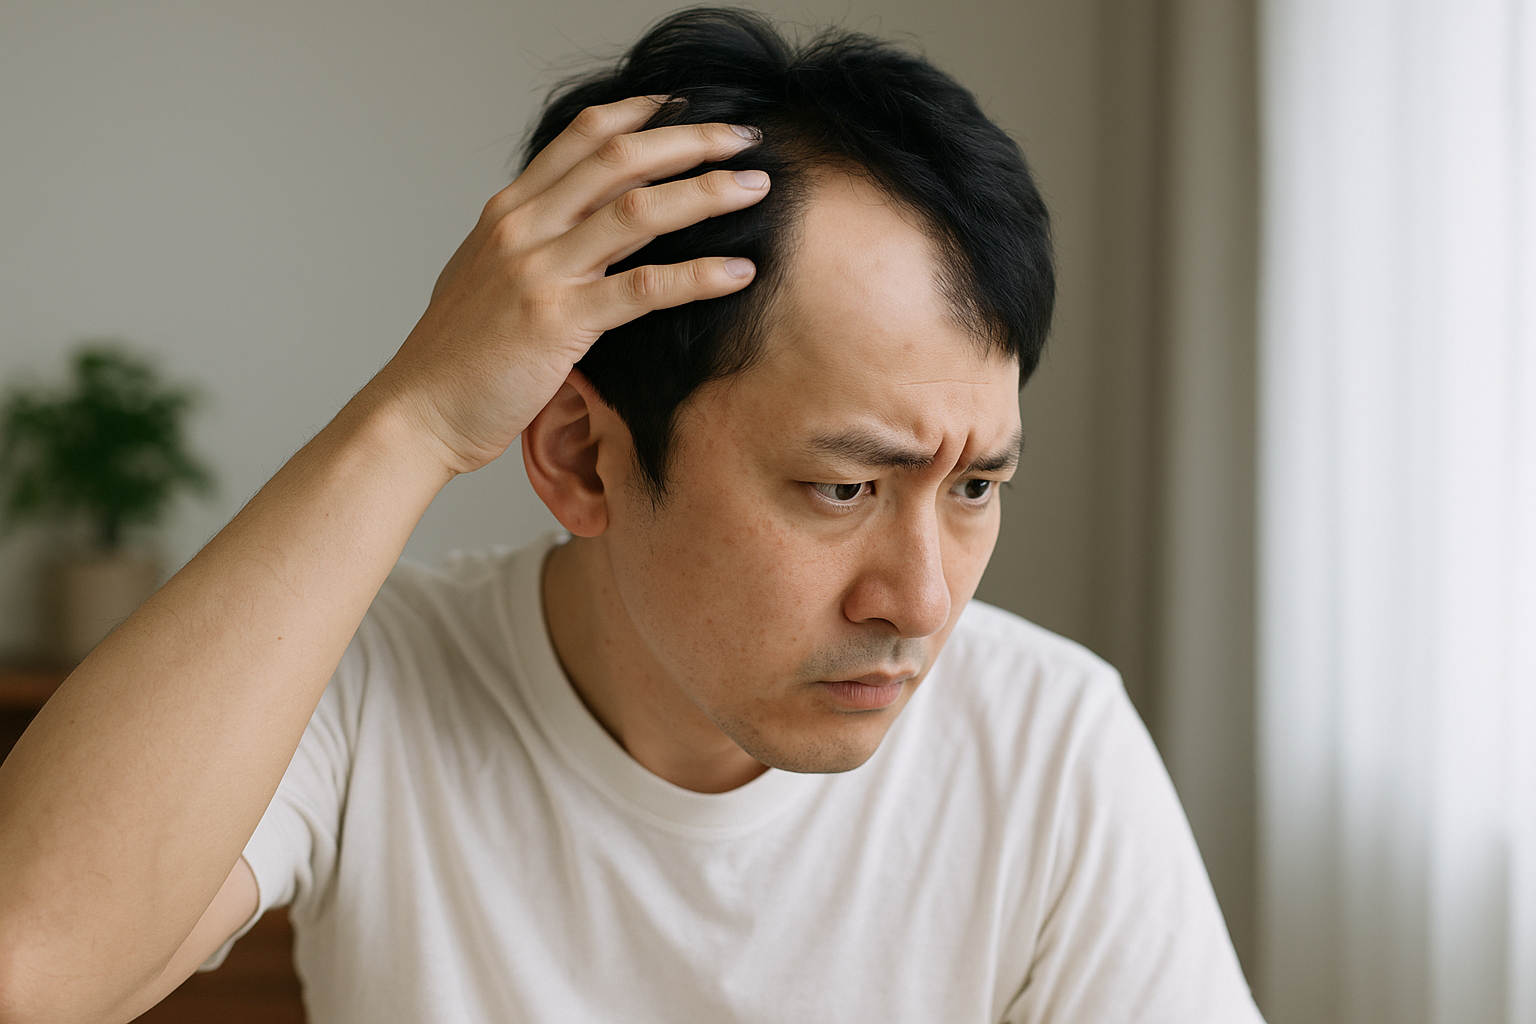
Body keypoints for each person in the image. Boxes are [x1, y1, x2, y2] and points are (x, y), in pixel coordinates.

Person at [0, 9, 1264, 1023]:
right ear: (583, 460)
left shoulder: (1049, 740)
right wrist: (415, 416)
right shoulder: (374, 686)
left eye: (975, 485)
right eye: (844, 487)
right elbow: (29, 970)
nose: (923, 601)